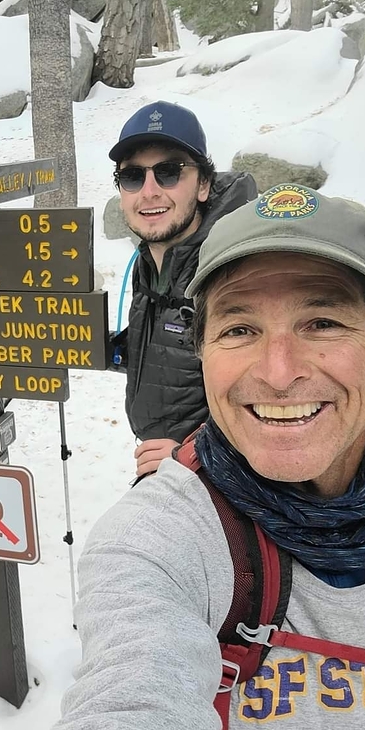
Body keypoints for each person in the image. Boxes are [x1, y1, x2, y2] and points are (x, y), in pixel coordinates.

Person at [23, 184, 365, 730]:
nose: (279, 370)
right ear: (202, 352)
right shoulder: (162, 538)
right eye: (238, 328)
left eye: (322, 321)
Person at [109, 100, 257, 478]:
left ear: (204, 185)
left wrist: (194, 455)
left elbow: (279, 402)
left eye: (169, 172)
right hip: (165, 466)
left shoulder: (235, 273)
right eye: (132, 177)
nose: (149, 191)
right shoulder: (152, 263)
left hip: (222, 484)